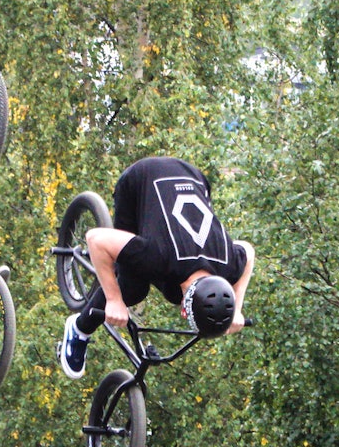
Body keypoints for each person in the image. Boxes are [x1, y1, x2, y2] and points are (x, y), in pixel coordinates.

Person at [58, 156, 256, 379]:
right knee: (132, 288)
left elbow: (248, 251)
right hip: (140, 178)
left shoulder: (229, 263)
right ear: (185, 310)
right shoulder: (157, 256)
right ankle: (79, 329)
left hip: (193, 175)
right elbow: (95, 239)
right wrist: (114, 300)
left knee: (172, 291)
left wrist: (236, 309)